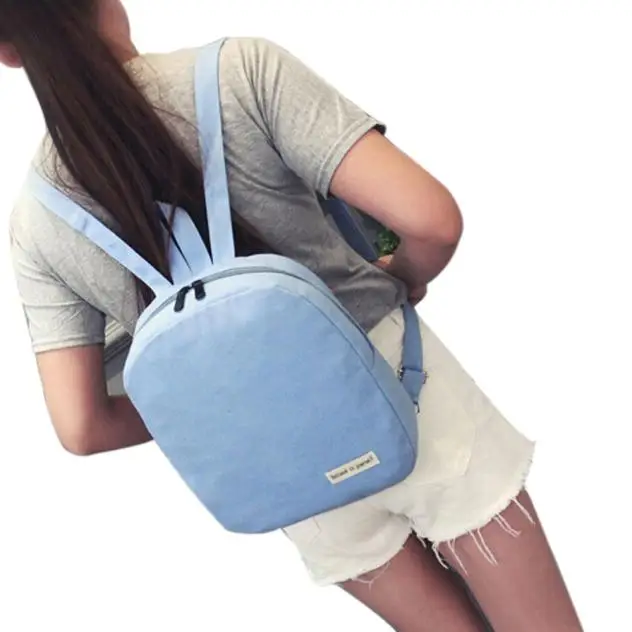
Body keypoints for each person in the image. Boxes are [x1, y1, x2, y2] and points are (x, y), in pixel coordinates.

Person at [2, 1, 583, 630]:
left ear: (5, 52)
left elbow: (82, 426)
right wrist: (403, 278)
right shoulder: (238, 72)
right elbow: (431, 220)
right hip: (401, 384)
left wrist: (205, 402)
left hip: (280, 460)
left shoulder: (38, 221)